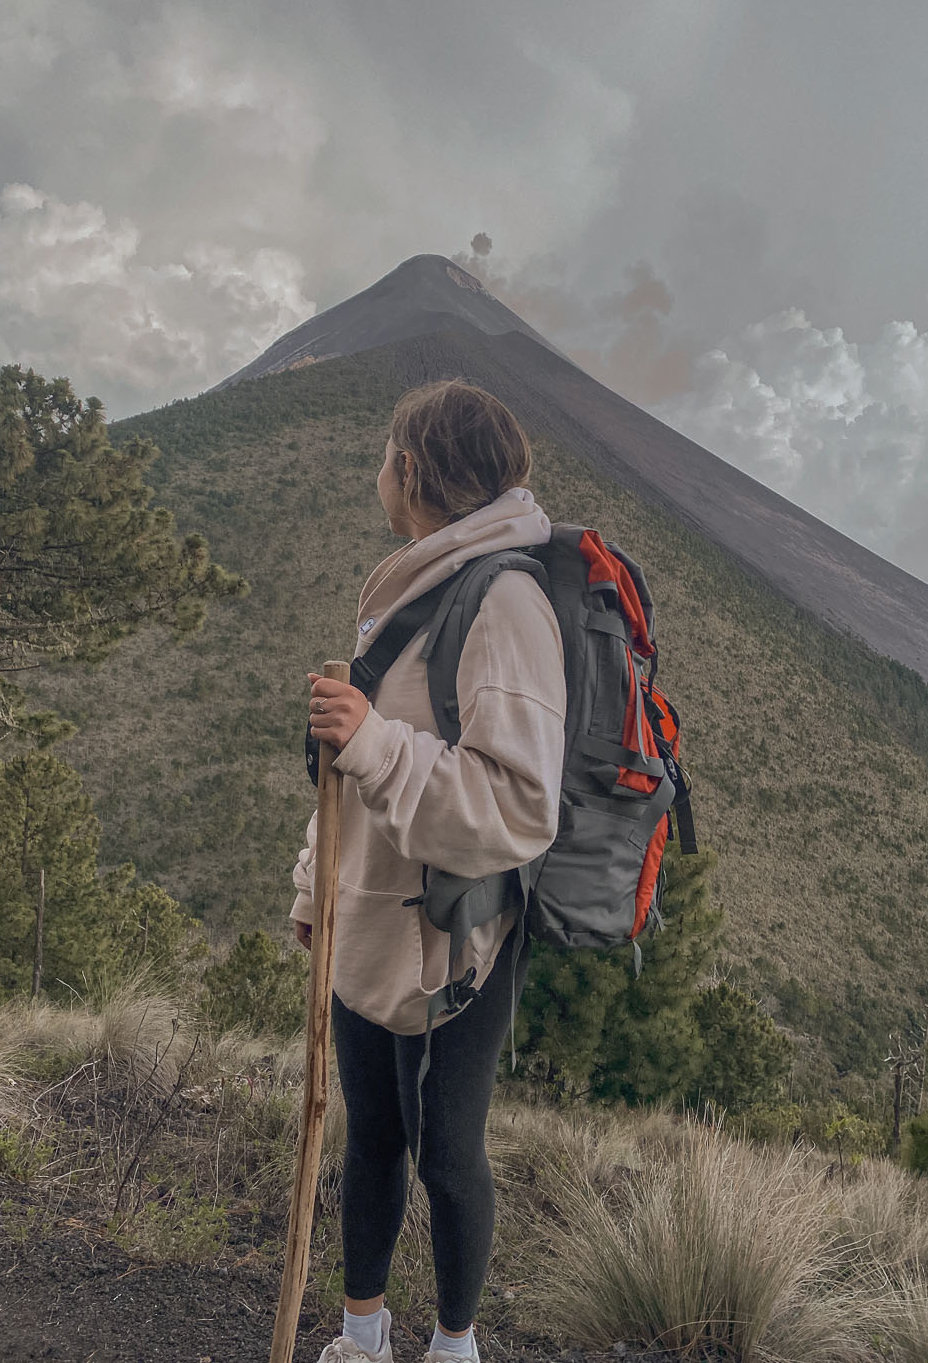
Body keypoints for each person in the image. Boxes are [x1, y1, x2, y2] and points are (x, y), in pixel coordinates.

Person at [292, 381, 566, 1363]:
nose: (379, 470)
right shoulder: (408, 589)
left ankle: (455, 1348)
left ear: (413, 472)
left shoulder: (507, 603)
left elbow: (518, 807)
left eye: (387, 453)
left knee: (447, 1155)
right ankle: (361, 1335)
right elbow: (349, 781)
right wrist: (310, 888)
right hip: (364, 916)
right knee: (369, 1135)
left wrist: (372, 744)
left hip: (463, 934)